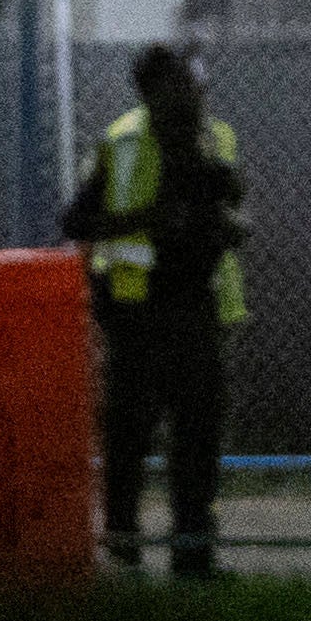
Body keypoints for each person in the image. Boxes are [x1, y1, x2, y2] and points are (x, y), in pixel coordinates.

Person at [67, 37, 245, 579]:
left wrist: (230, 226)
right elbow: (78, 222)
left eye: (196, 84)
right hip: (137, 309)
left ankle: (193, 554)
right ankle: (123, 547)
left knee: (198, 432)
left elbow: (226, 204)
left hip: (197, 305)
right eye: (181, 85)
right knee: (131, 433)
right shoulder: (122, 142)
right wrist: (147, 220)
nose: (194, 94)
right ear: (151, 91)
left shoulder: (214, 138)